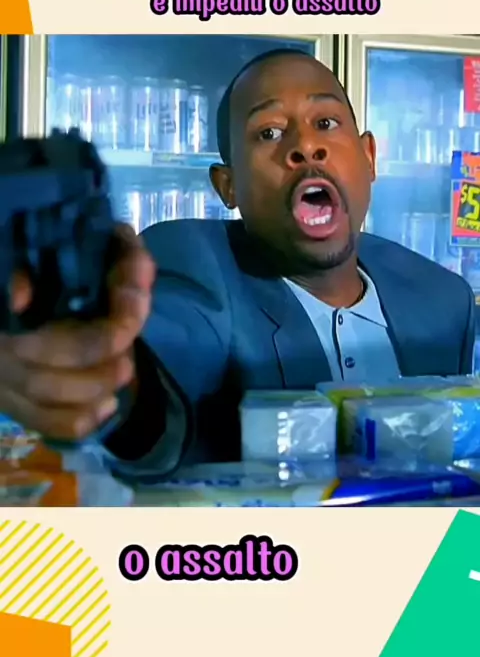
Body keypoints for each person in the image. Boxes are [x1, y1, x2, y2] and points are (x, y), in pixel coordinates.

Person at [0, 49, 475, 479]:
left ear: (369, 157)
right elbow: (164, 358)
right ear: (227, 186)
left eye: (326, 122)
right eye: (269, 133)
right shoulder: (194, 258)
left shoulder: (444, 299)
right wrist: (108, 376)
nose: (305, 146)